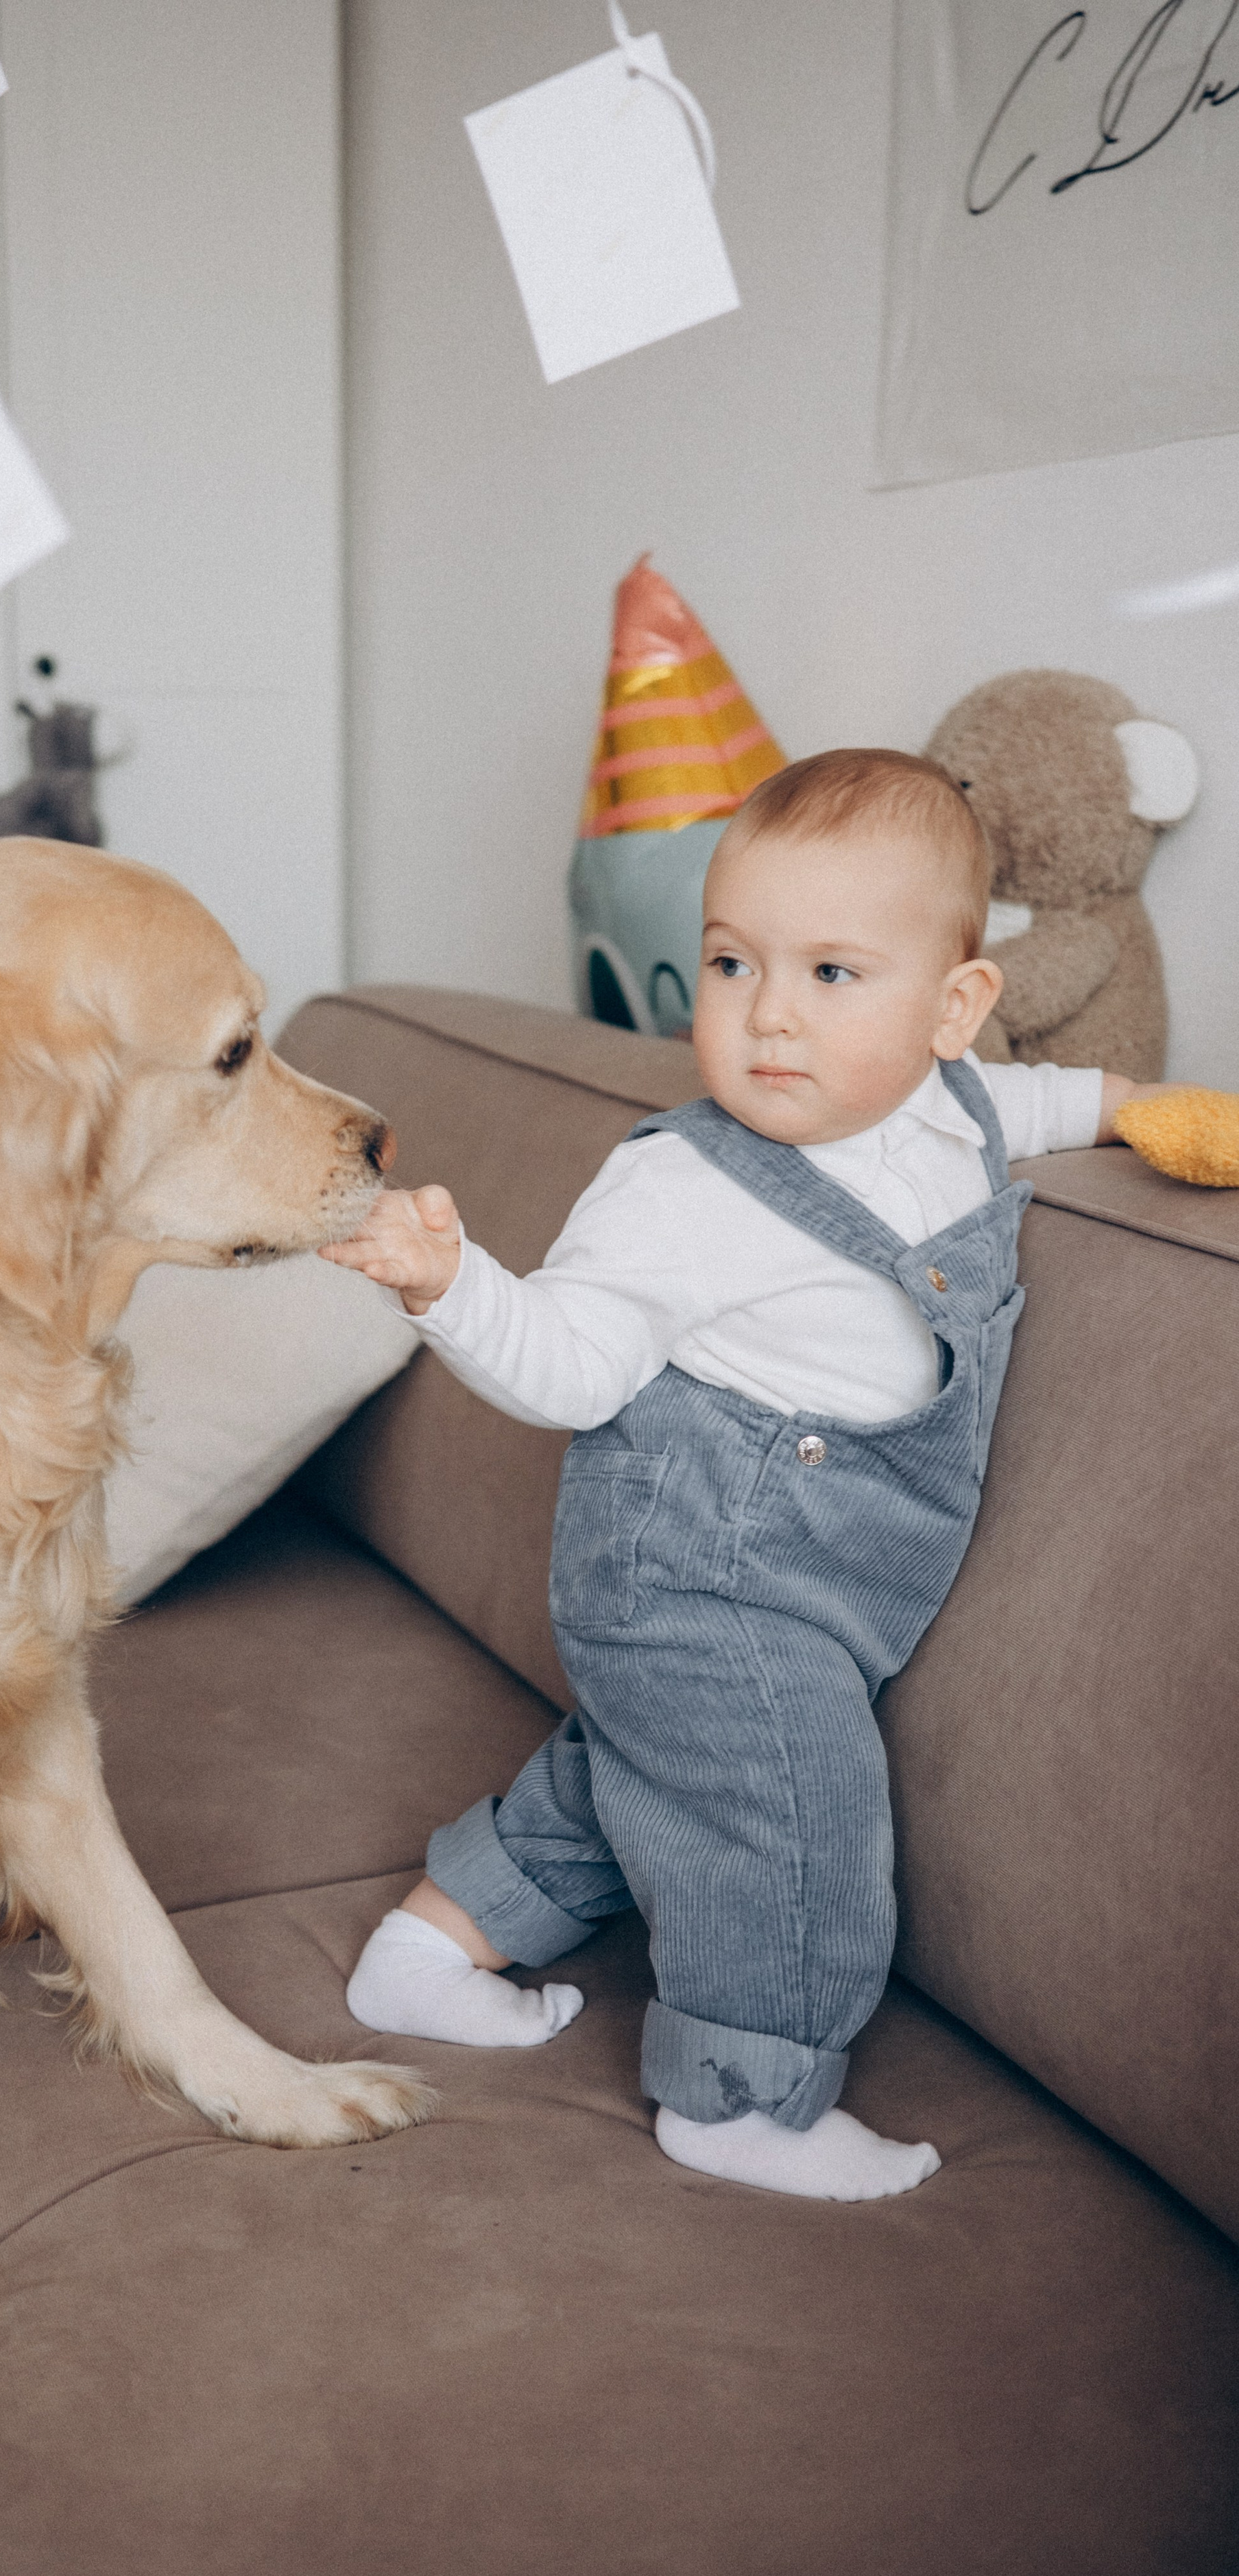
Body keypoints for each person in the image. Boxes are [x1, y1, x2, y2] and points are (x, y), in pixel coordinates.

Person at [324, 750, 1170, 2203]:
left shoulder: (948, 1104)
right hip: (698, 1557)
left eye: (832, 973)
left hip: (813, 1565)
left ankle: (428, 1948)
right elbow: (572, 1365)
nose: (768, 1012)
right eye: (730, 962)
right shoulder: (683, 1187)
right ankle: (740, 2102)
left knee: (649, 1773)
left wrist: (1139, 1111)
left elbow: (1025, 1105)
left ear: (948, 1009)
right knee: (783, 1809)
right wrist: (449, 1283)